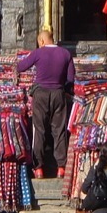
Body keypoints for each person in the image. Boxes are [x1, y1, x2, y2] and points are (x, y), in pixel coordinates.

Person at [16, 30, 75, 179]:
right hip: (58, 94)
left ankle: (38, 168)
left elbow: (20, 67)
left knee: (39, 130)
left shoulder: (38, 53)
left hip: (41, 94)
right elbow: (70, 78)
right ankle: (61, 167)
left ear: (41, 41)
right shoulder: (66, 54)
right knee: (59, 130)